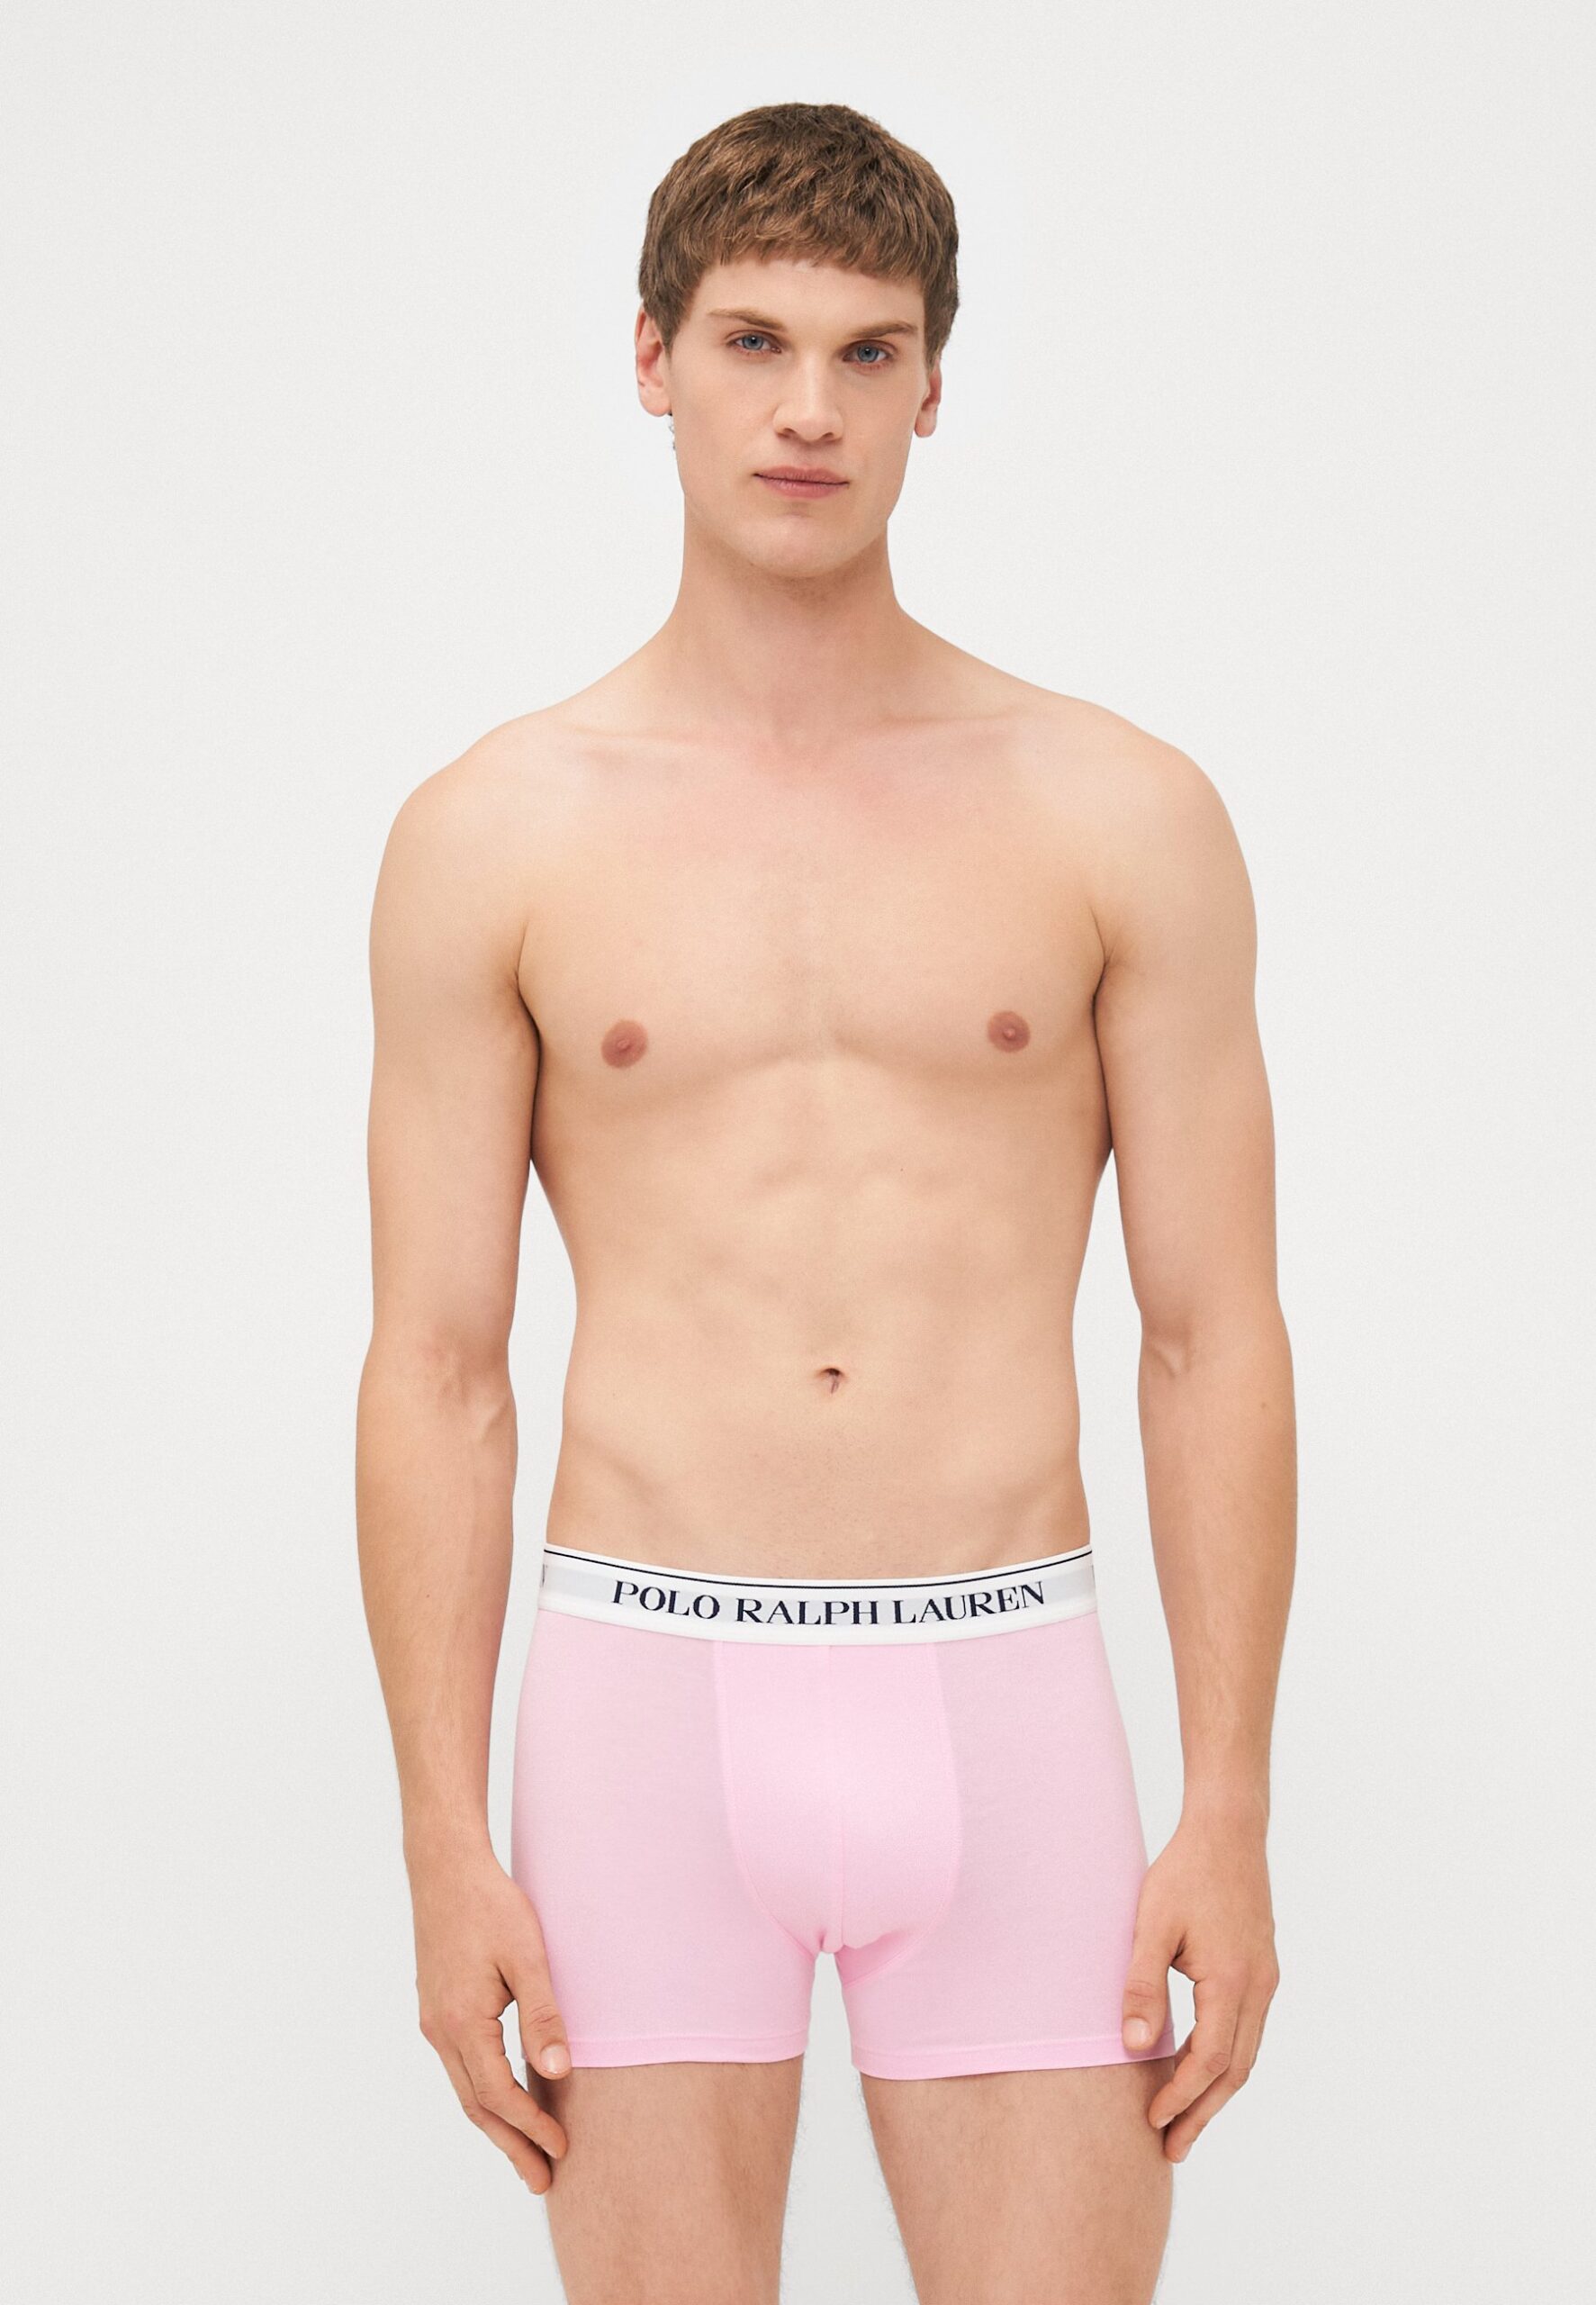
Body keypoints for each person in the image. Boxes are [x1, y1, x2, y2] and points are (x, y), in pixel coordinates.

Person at [356, 99, 1295, 2305]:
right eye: (754, 340)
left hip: (1003, 1681)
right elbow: (439, 1366)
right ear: (652, 357)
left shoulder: (1115, 813)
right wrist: (440, 1839)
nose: (807, 408)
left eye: (867, 351)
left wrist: (1230, 1801)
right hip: (639, 1702)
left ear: (931, 386)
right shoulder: (494, 832)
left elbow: (1207, 1334)